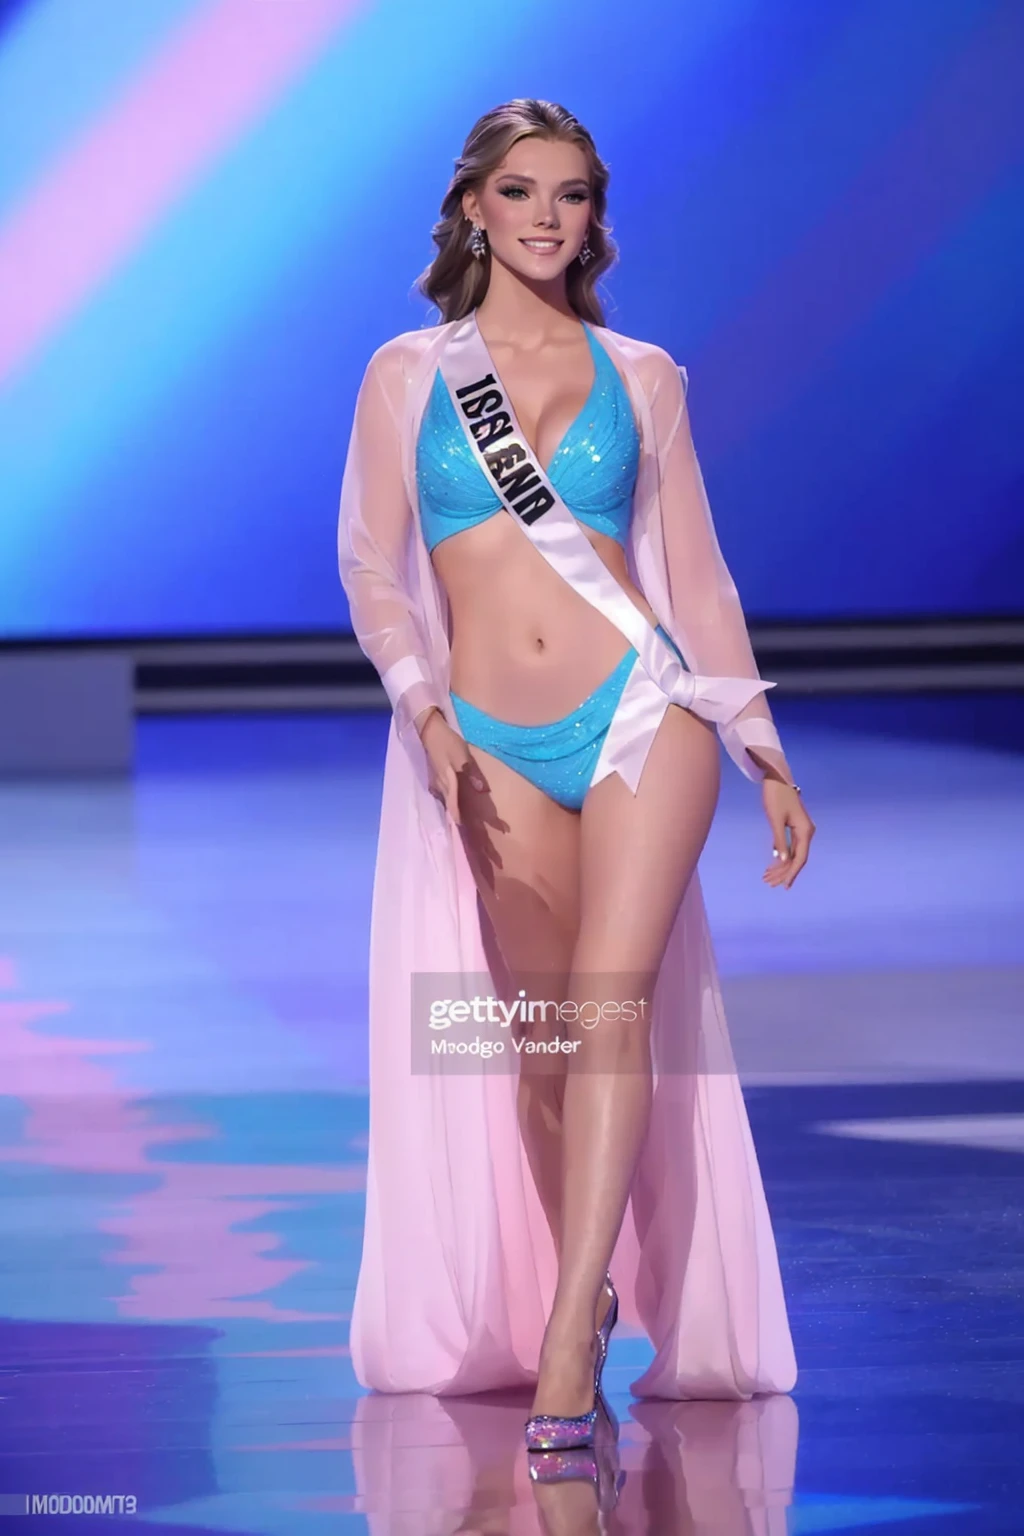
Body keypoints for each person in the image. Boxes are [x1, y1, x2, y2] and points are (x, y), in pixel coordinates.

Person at [337, 100, 814, 1454]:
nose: (551, 217)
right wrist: (426, 715)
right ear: (474, 210)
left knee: (609, 1011)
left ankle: (563, 1345)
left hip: (640, 713)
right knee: (542, 1042)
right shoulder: (409, 375)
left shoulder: (647, 375)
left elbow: (700, 581)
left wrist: (760, 748)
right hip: (485, 735)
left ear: (595, 216)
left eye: (575, 195)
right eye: (523, 191)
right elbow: (373, 566)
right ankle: (588, 1290)